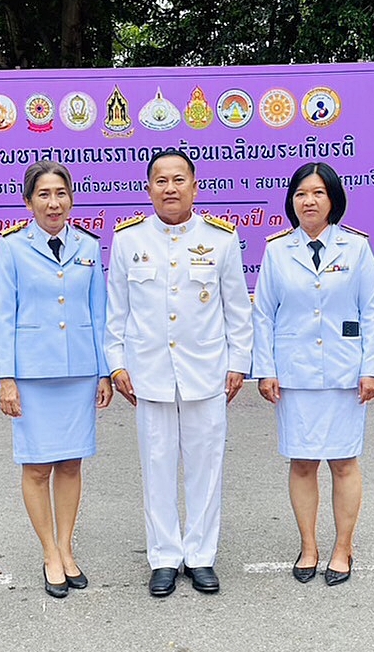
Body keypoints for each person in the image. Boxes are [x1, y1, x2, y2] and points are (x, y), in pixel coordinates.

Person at [105, 149, 253, 597]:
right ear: (148, 188)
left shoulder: (222, 239)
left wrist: (238, 363)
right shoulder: (129, 240)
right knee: (157, 466)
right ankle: (165, 557)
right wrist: (117, 362)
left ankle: (201, 556)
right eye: (161, 181)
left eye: (178, 180)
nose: (170, 188)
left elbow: (237, 309)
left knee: (206, 467)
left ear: (194, 185)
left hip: (206, 370)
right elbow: (117, 309)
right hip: (148, 371)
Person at [252, 161, 374, 586]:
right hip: (295, 375)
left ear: (333, 200)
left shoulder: (356, 248)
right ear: (292, 202)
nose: (308, 201)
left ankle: (343, 547)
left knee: (344, 462)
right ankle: (308, 546)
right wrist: (265, 370)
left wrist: (371, 369)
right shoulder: (276, 250)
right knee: (303, 462)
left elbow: (372, 310)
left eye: (318, 193)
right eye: (300, 194)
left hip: (346, 374)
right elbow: (263, 316)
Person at [0, 161, 113, 599]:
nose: (53, 202)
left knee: (71, 462)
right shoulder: (11, 247)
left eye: (60, 193)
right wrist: (7, 379)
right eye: (43, 194)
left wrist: (103, 371)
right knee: (37, 465)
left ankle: (66, 548)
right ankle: (48, 553)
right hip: (33, 375)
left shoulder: (88, 245)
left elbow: (98, 313)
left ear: (71, 198)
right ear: (29, 202)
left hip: (79, 372)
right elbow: (3, 316)